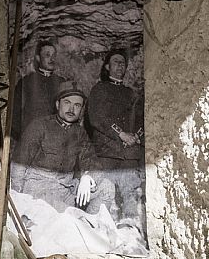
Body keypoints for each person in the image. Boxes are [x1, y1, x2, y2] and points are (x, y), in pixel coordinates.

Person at [10, 81, 114, 213]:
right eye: (67, 103)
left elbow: (93, 163)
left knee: (107, 188)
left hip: (66, 190)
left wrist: (88, 177)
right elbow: (19, 165)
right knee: (70, 217)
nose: (71, 109)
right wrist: (18, 200)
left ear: (81, 110)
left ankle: (91, 226)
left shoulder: (80, 132)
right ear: (57, 104)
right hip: (39, 190)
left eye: (77, 105)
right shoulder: (40, 126)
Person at [86, 50, 146, 240]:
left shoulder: (131, 93)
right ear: (107, 67)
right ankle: (101, 237)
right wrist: (121, 134)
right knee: (105, 194)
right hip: (107, 152)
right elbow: (97, 117)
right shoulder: (99, 89)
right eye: (116, 62)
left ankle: (130, 236)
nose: (120, 66)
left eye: (123, 63)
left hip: (129, 153)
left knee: (130, 194)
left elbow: (142, 118)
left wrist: (136, 136)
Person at [11, 40, 65, 140]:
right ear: (38, 58)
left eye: (54, 55)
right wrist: (23, 136)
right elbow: (15, 112)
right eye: (47, 55)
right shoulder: (27, 82)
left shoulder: (63, 83)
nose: (52, 59)